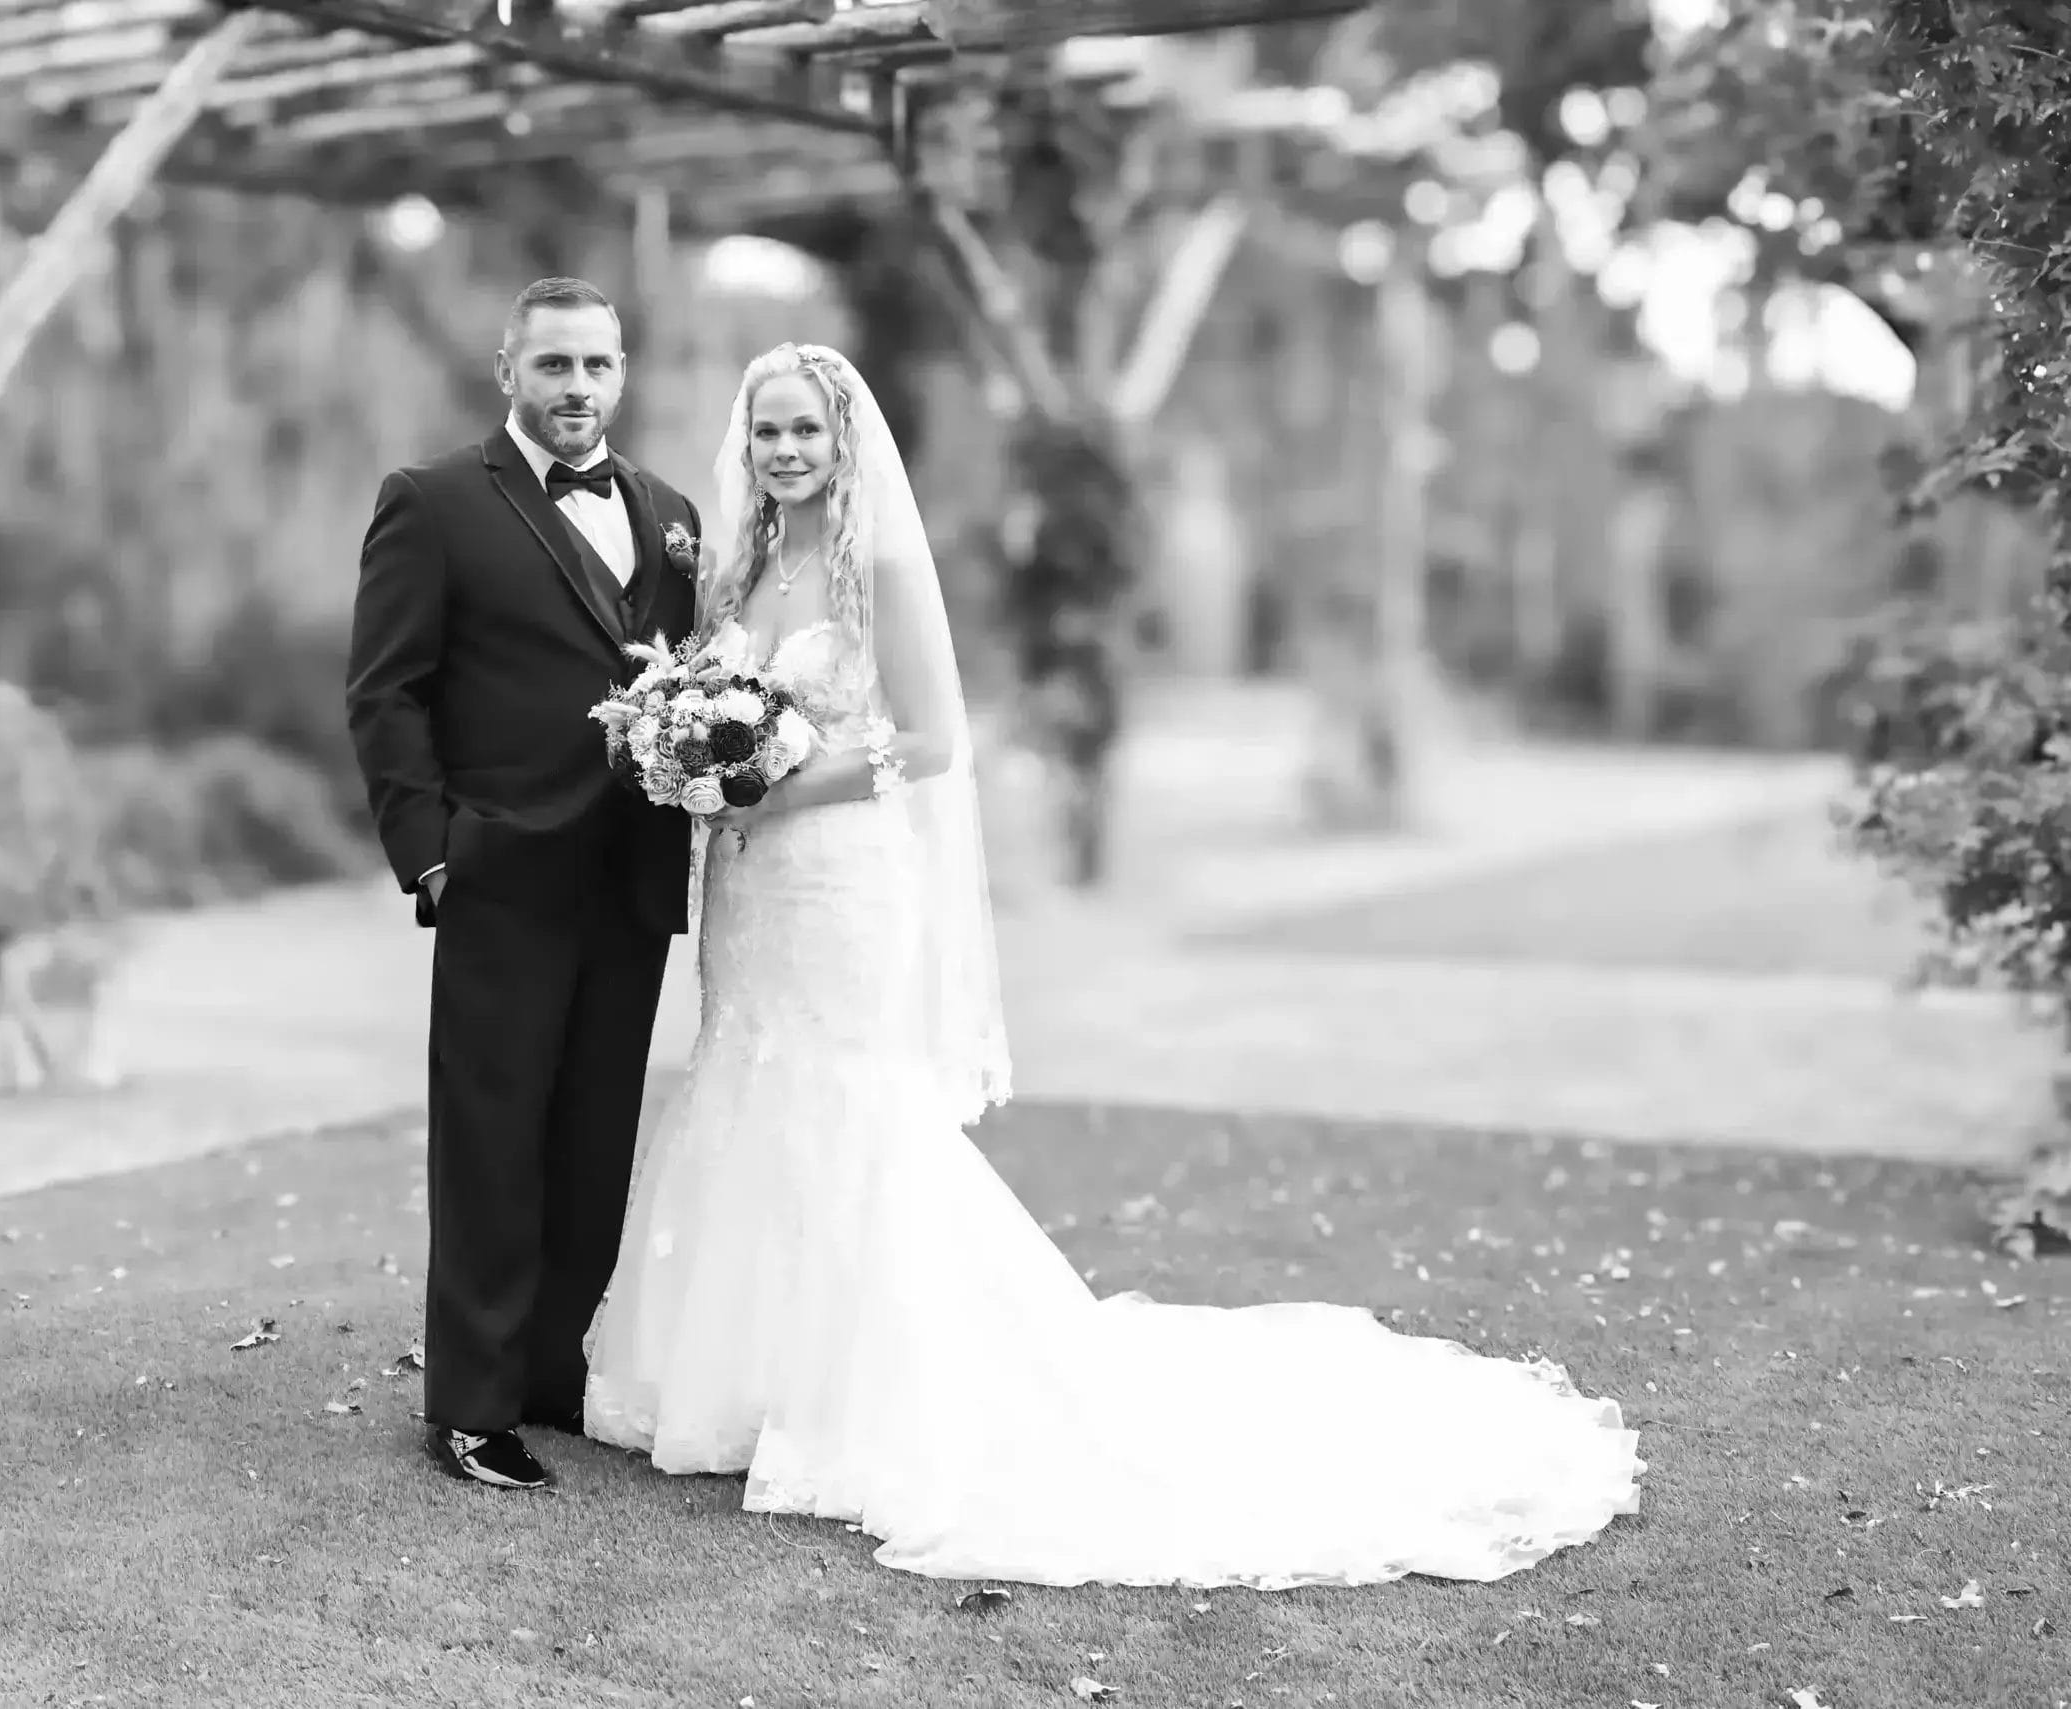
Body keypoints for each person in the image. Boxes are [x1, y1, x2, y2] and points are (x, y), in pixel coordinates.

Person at [580, 343, 1645, 1588]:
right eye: (765, 431)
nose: (782, 451)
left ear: (844, 439)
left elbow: (928, 741)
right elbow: (717, 708)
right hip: (751, 889)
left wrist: (764, 781)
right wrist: (698, 769)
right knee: (746, 1078)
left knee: (840, 1101)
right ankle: (748, 1381)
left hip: (840, 881)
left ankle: (868, 1391)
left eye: (804, 430)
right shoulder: (739, 568)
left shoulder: (879, 563)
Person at [346, 276, 702, 1491]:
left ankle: (554, 1373)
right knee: (492, 1139)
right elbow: (384, 691)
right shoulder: (434, 503)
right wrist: (433, 854)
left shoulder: (668, 514)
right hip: (500, 872)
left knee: (593, 1137)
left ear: (621, 373)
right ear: (507, 369)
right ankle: (471, 1403)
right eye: (552, 366)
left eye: (596, 366)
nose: (576, 389)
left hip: (631, 877)